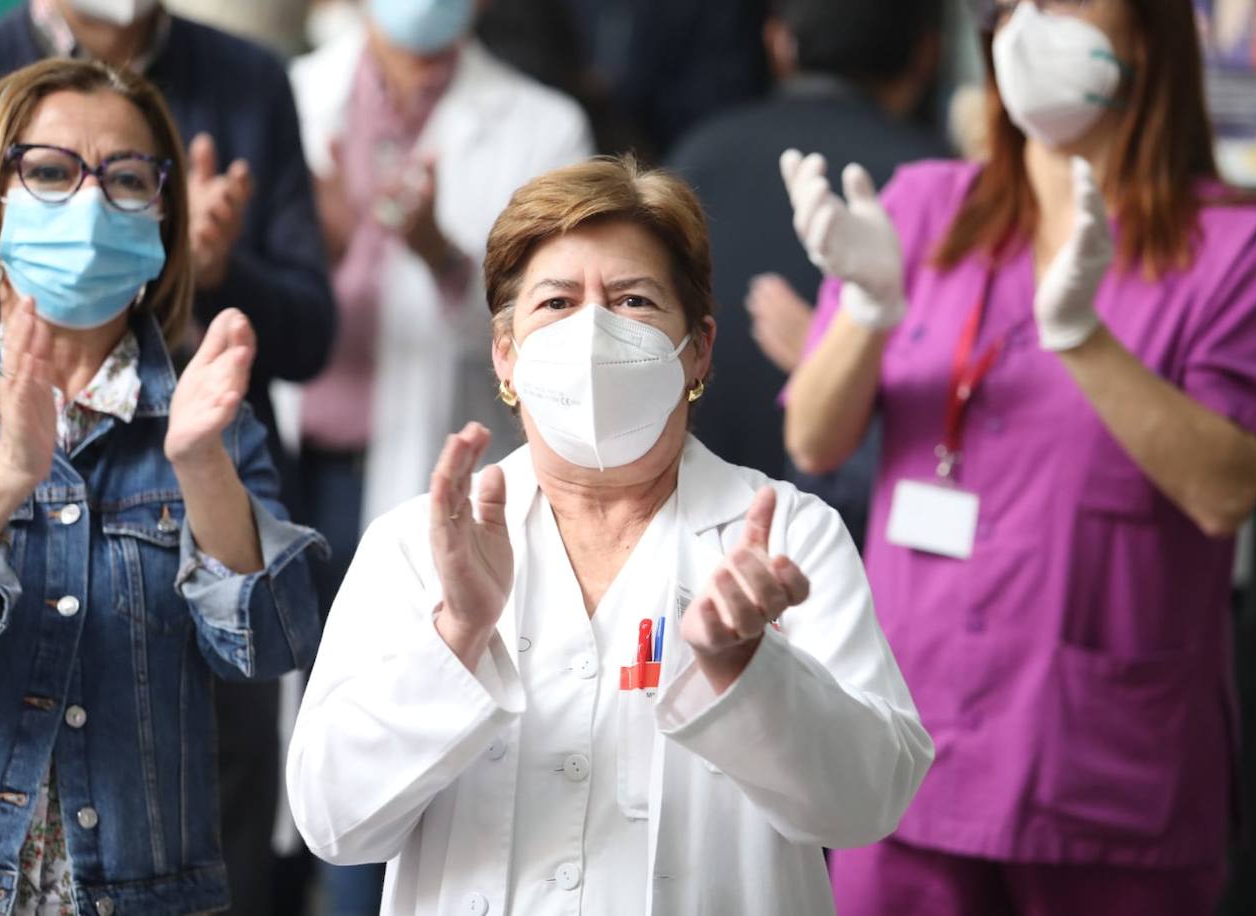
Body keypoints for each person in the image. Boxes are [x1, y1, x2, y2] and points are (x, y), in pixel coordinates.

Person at [782, 0, 1256, 913]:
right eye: (1014, 3)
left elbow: (1225, 493)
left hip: (1104, 776)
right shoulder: (922, 207)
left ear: (1152, 28)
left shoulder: (1239, 250)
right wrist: (868, 311)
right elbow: (814, 436)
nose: (1033, 21)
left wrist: (1084, 337)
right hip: (904, 750)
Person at [285, 156, 933, 916]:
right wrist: (457, 635)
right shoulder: (415, 545)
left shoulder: (789, 534)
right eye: (556, 302)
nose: (592, 328)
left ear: (698, 349)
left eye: (633, 300)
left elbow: (869, 804)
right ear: (506, 355)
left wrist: (750, 672)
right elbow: (333, 822)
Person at [0, 7, 337, 913]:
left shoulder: (207, 407)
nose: (91, 204)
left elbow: (271, 645)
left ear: (162, 216)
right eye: (50, 171)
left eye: (127, 179)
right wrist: (9, 470)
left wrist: (201, 463)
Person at [283, 1, 592, 908]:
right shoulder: (300, 92)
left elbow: (538, 332)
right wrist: (313, 244)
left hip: (425, 476)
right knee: (277, 749)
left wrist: (440, 253)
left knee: (390, 736)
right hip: (291, 470)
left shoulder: (544, 125)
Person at [665, 0, 946, 545]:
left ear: (778, 43)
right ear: (926, 54)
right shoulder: (940, 183)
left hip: (690, 515)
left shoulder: (696, 158)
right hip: (862, 537)